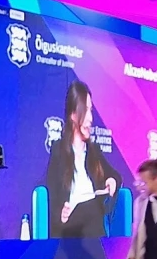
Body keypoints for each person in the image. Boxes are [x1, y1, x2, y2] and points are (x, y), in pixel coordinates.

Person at [44, 80, 126, 239]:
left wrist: (111, 180)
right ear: (73, 115)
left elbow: (115, 175)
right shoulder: (58, 150)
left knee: (93, 207)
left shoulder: (93, 150)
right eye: (85, 110)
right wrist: (61, 213)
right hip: (70, 226)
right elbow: (52, 191)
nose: (90, 118)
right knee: (90, 208)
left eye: (91, 110)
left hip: (93, 221)